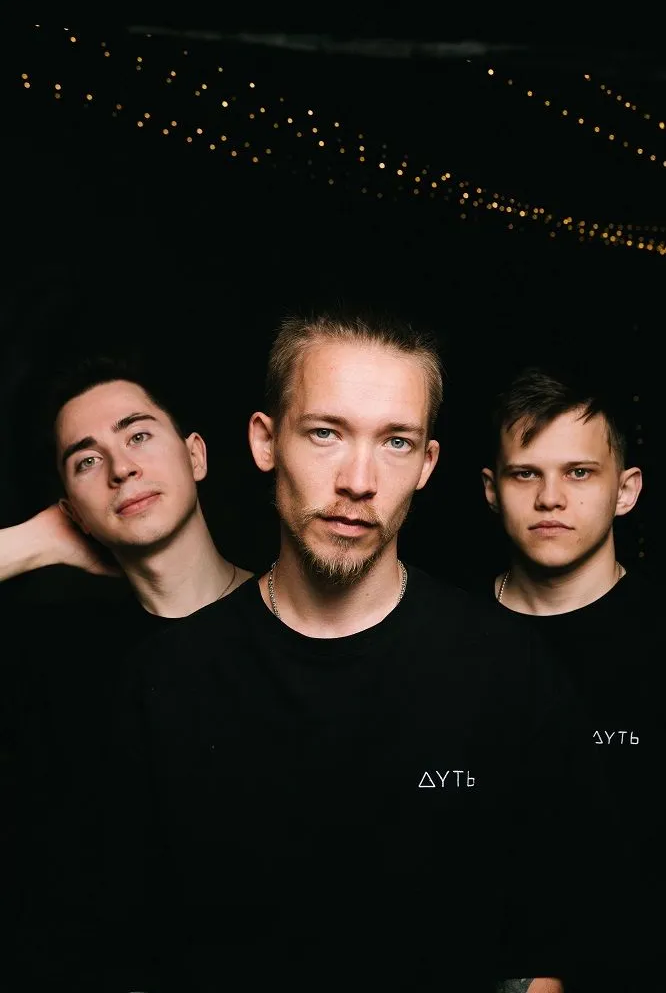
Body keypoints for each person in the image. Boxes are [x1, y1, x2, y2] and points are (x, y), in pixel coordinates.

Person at [123, 313, 615, 992]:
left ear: (426, 465)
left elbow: (547, 951)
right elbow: (122, 946)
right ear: (265, 441)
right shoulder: (166, 679)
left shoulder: (512, 671)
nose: (358, 480)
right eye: (326, 433)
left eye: (395, 442)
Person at [0, 353, 252, 991]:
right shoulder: (67, 675)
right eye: (87, 460)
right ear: (71, 508)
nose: (121, 468)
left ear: (195, 456)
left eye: (138, 435)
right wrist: (31, 543)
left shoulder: (302, 618)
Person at [481, 365, 662, 992]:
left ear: (626, 490)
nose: (550, 498)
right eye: (525, 473)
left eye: (579, 473)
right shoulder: (443, 638)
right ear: (491, 489)